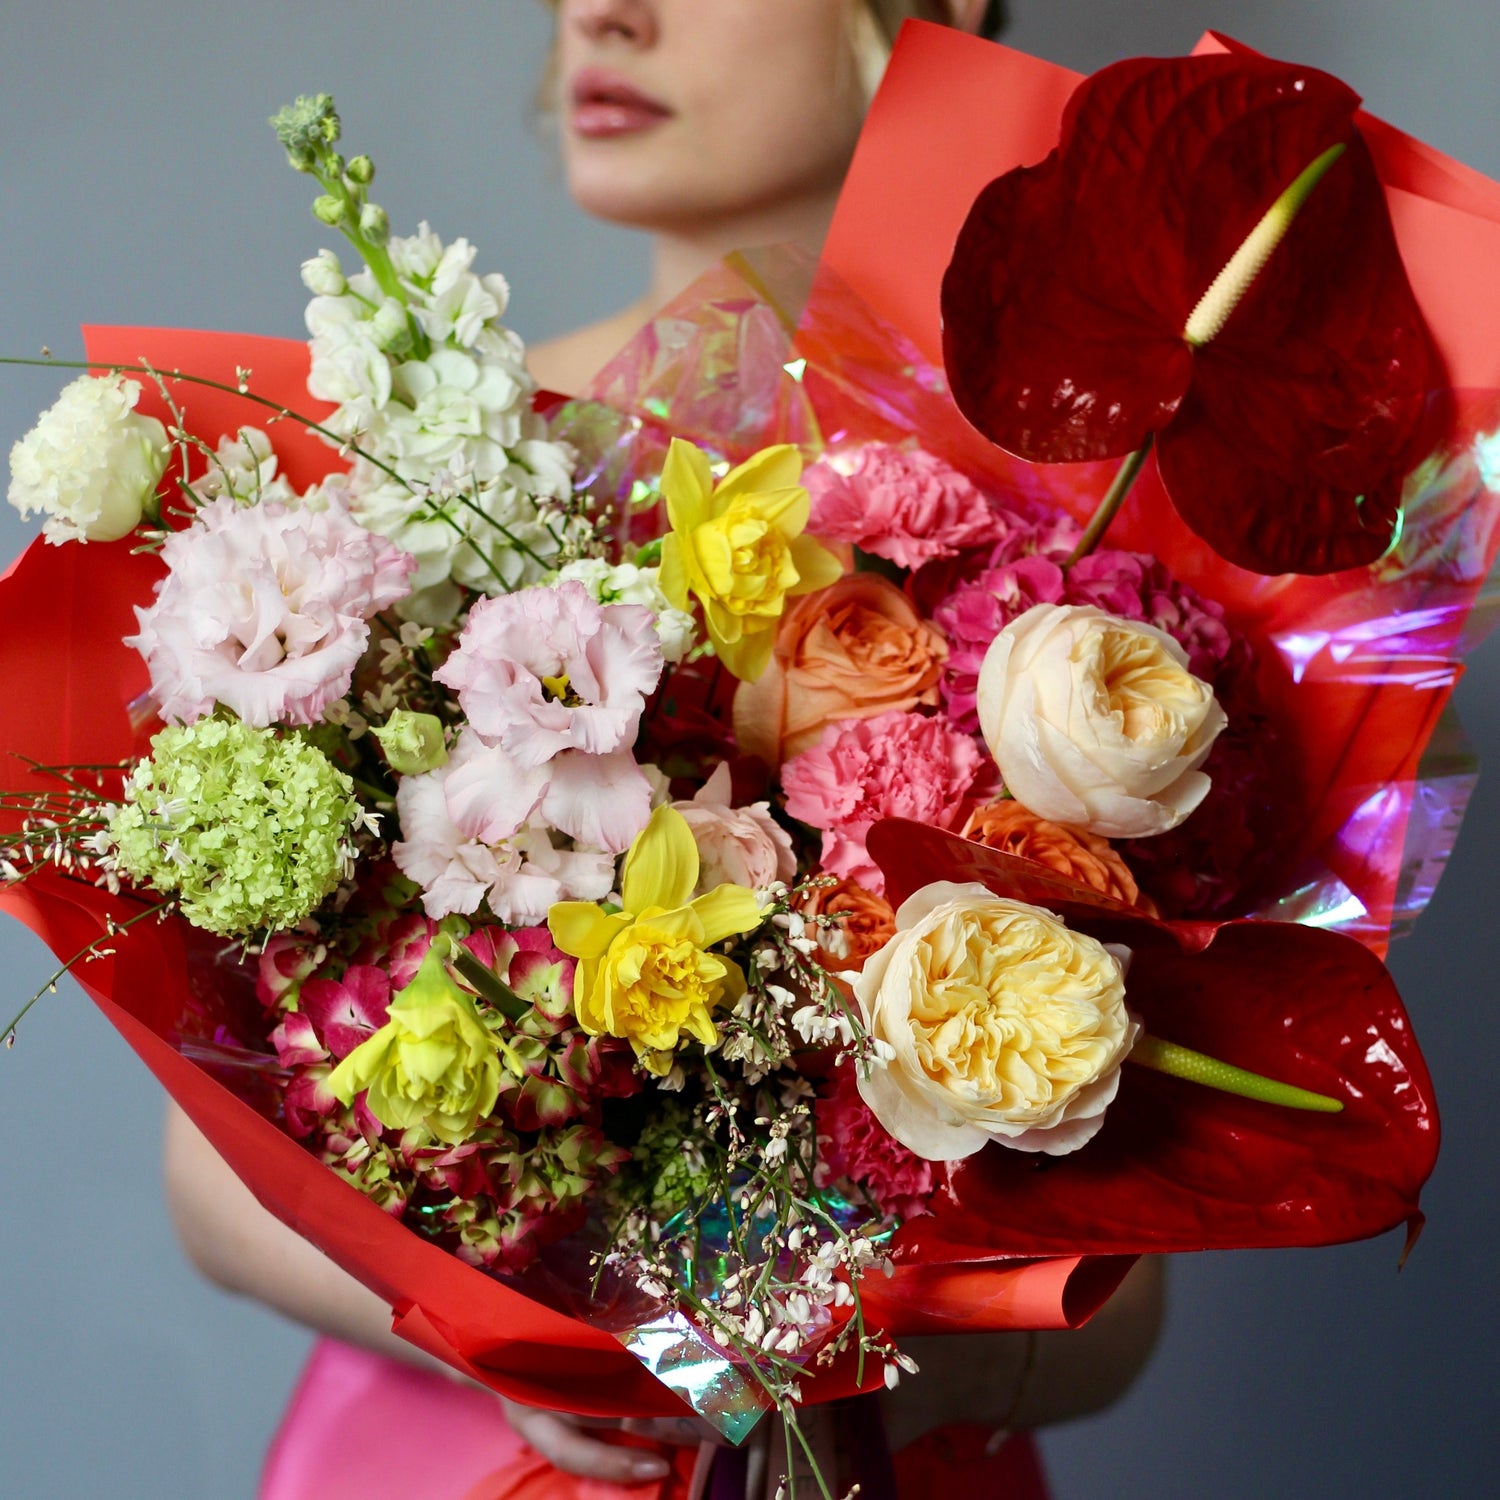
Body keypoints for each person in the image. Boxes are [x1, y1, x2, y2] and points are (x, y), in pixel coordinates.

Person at [164, 2, 1166, 1494]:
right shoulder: (420, 484)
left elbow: (1127, 1277)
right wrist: (510, 1340)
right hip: (444, 1453)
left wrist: (814, 1368)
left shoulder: (1061, 539)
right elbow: (211, 1173)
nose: (602, 13)